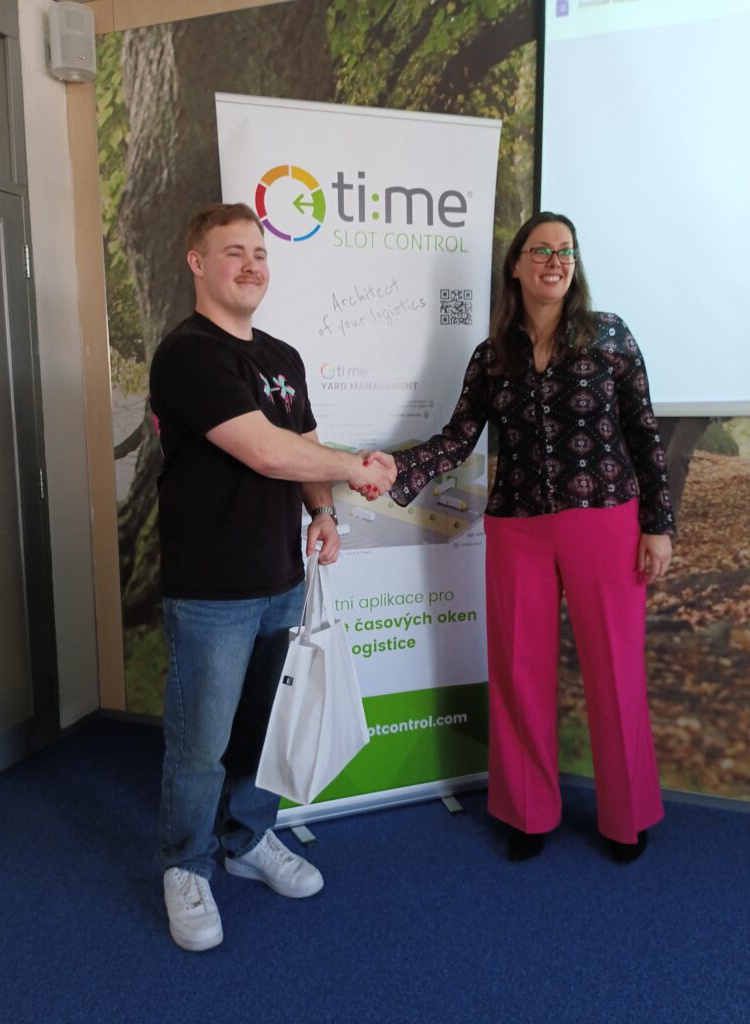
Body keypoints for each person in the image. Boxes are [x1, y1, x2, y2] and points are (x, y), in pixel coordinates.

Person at [385, 211, 675, 863]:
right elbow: (457, 439)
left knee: (615, 669)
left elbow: (643, 433)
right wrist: (396, 468)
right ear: (515, 266)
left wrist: (657, 525)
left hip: (604, 518)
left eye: (565, 250)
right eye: (540, 250)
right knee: (518, 669)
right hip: (517, 525)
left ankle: (627, 815)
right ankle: (526, 811)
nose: (555, 261)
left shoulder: (609, 335)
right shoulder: (492, 356)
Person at [149, 202, 395, 952]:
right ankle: (185, 865)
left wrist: (323, 510)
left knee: (262, 731)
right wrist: (358, 468)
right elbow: (264, 450)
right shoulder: (188, 355)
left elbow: (301, 443)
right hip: (210, 593)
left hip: (281, 580)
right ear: (197, 263)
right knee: (200, 744)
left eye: (259, 253)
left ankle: (248, 838)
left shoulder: (282, 356)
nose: (252, 265)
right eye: (233, 252)